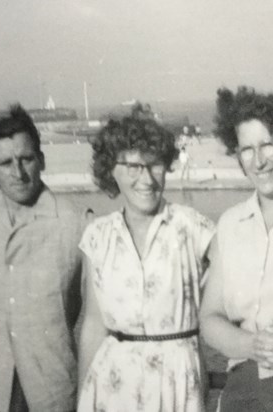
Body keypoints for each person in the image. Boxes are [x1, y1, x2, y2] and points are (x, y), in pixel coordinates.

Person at [0, 105, 87, 412]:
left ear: (41, 160)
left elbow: (96, 311)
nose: (18, 173)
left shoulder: (77, 221)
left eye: (26, 159)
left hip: (47, 376)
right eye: (6, 163)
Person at [77, 114, 215, 411]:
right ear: (111, 170)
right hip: (112, 386)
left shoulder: (194, 228)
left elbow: (240, 289)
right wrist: (81, 399)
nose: (147, 179)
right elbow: (93, 325)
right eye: (134, 167)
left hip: (178, 382)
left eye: (155, 165)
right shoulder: (97, 236)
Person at [200, 86, 273, 411]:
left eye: (268, 144)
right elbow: (210, 318)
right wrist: (252, 345)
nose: (259, 161)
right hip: (244, 388)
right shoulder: (229, 224)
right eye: (247, 149)